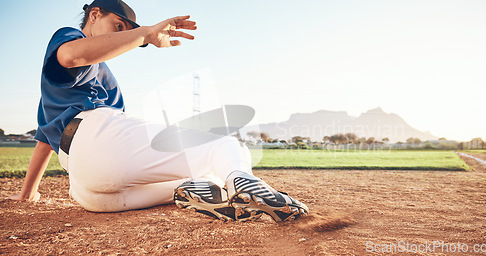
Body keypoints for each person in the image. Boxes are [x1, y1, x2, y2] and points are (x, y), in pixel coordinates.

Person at [7, 0, 308, 222]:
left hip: (86, 187)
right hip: (99, 138)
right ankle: (244, 179)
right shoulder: (71, 38)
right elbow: (73, 56)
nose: (122, 35)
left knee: (205, 181)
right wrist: (146, 34)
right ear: (95, 14)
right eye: (118, 26)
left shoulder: (58, 89)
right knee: (224, 146)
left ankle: (191, 190)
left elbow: (46, 138)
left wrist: (27, 195)